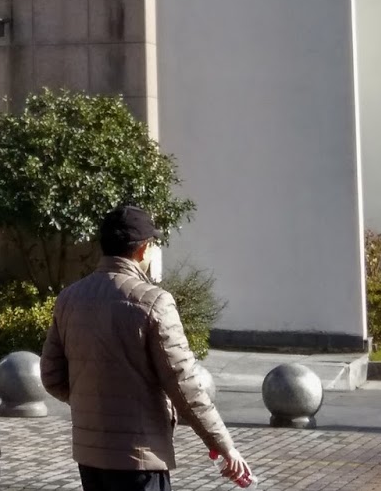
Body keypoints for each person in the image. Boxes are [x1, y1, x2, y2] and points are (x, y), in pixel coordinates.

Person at [41, 206, 250, 491]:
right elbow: (184, 384)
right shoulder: (154, 302)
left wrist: (94, 405)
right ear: (143, 249)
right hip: (139, 457)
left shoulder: (70, 298)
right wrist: (225, 446)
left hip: (90, 457)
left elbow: (51, 376)